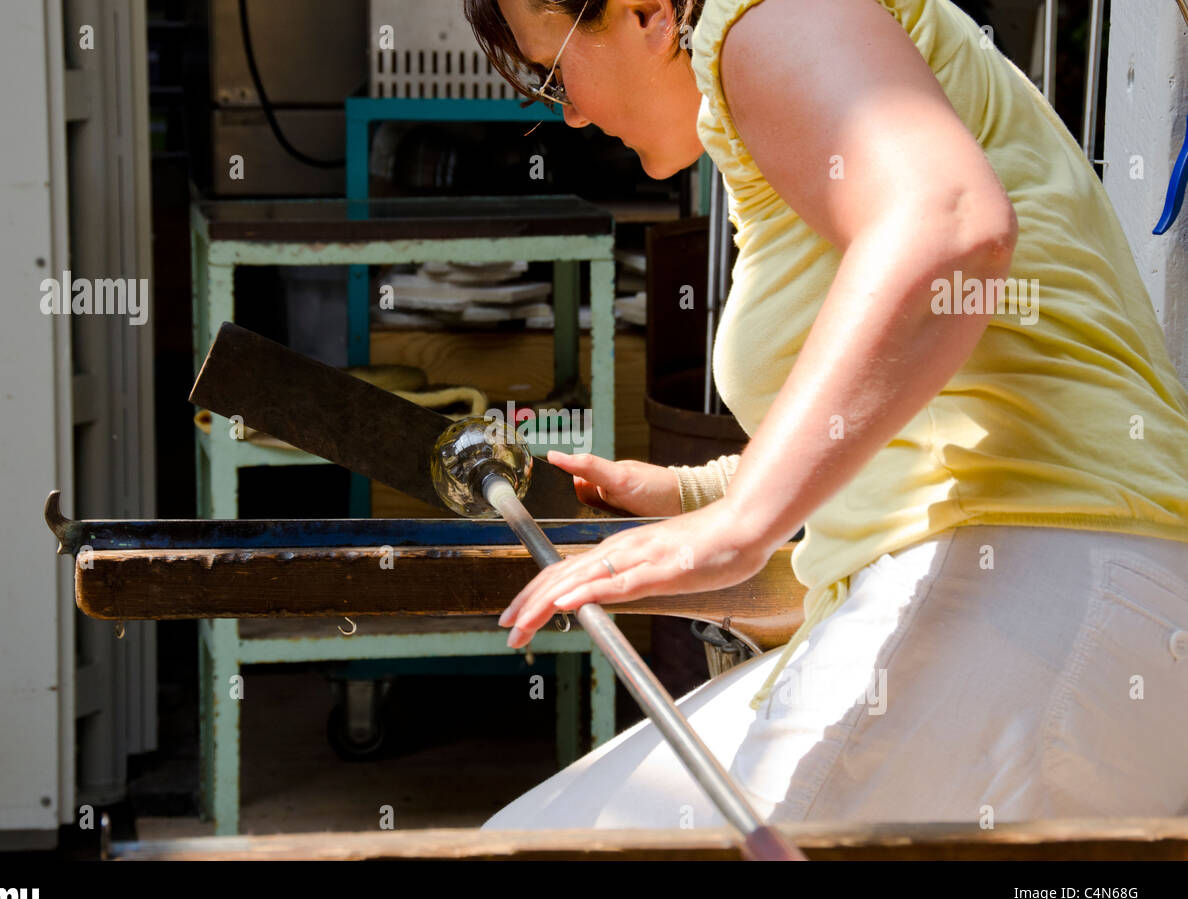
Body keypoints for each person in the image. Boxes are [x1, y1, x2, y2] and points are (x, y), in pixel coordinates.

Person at [464, 0, 1188, 829]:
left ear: (647, 13)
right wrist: (695, 493)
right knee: (530, 836)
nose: (573, 113)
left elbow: (949, 225)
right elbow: (910, 422)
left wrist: (737, 523)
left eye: (553, 73)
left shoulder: (765, 14)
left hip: (1035, 577)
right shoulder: (778, 109)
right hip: (1060, 591)